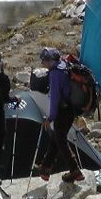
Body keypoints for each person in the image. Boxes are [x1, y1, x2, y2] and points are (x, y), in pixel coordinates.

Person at [36, 47, 83, 183]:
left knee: (60, 140)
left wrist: (50, 117)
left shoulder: (55, 74)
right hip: (71, 109)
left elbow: (55, 97)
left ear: (50, 61)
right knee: (57, 137)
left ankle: (75, 170)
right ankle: (45, 168)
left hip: (63, 111)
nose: (42, 64)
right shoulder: (65, 66)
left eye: (44, 61)